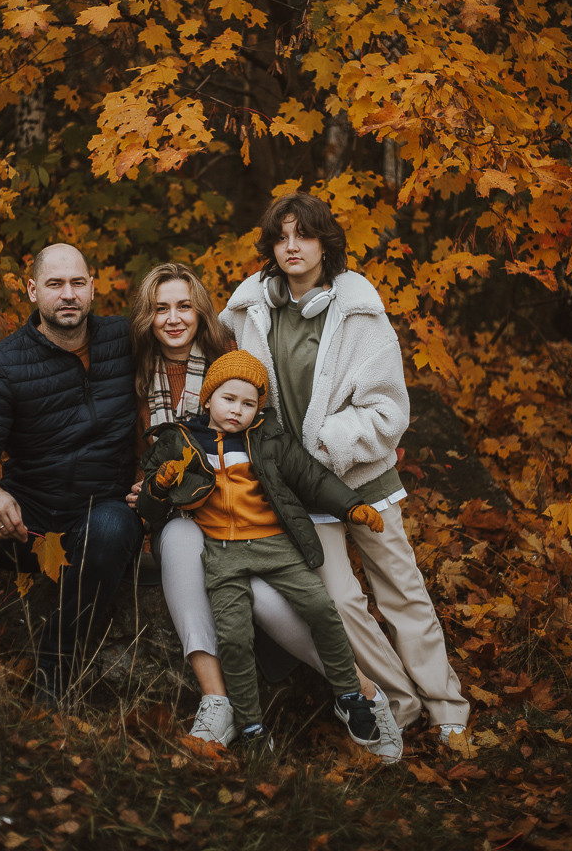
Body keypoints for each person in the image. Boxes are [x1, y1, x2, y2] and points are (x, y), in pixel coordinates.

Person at [128, 263, 404, 763]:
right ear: (146, 315)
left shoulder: (231, 359)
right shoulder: (127, 366)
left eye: (184, 305)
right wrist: (147, 488)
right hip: (178, 516)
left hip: (251, 528)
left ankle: (359, 692)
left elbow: (290, 463)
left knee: (279, 605)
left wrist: (350, 504)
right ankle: (219, 703)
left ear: (201, 311)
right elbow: (120, 448)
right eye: (161, 308)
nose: (173, 318)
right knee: (181, 548)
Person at [220, 193, 470, 744]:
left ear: (323, 244)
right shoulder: (249, 313)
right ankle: (399, 704)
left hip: (362, 478)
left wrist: (323, 445)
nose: (291, 247)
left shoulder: (359, 311)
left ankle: (447, 706)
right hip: (304, 492)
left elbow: (389, 411)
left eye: (303, 236)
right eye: (281, 237)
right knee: (339, 602)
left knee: (402, 592)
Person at [0, 243, 143, 703]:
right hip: (28, 524)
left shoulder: (127, 340)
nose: (68, 294)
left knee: (110, 525)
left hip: (101, 513)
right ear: (32, 291)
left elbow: (191, 345)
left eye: (77, 283)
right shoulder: (2, 365)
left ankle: (54, 674)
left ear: (93, 287)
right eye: (54, 284)